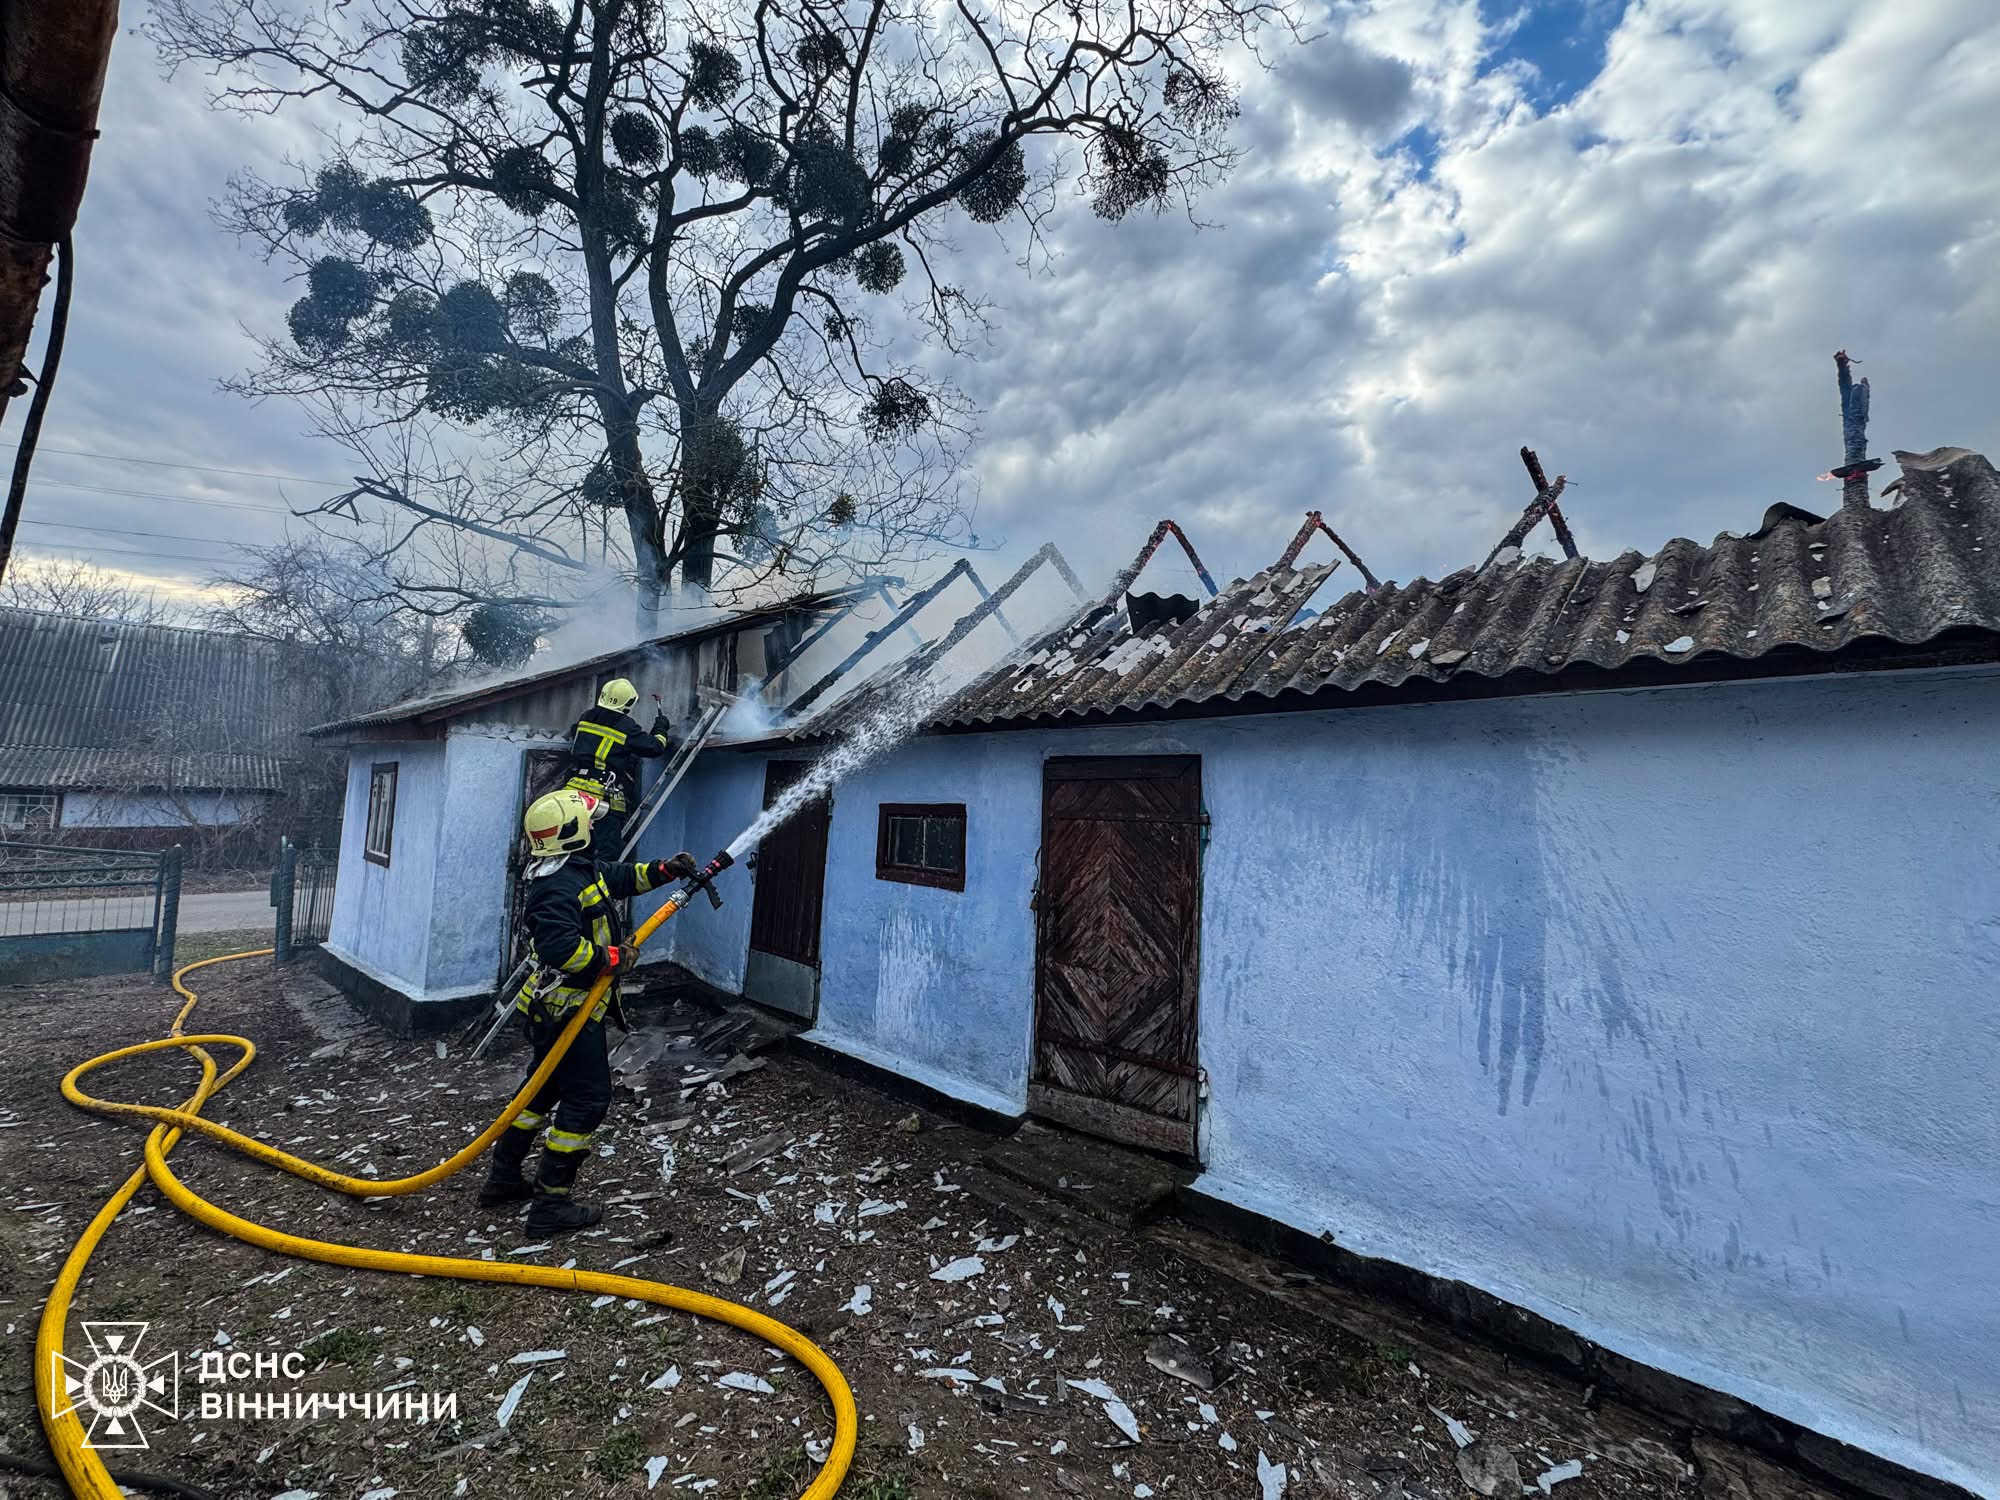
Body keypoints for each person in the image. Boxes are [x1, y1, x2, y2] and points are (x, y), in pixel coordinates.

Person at [479, 786, 697, 1237]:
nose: (597, 825)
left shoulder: (576, 869)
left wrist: (664, 871)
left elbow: (619, 877)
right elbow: (561, 949)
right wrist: (614, 959)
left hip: (558, 1010)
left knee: (539, 1092)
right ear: (574, 831)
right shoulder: (556, 886)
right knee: (588, 1098)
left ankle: (502, 1179)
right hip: (569, 1012)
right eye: (591, 821)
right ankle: (550, 1206)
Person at [563, 677, 673, 856]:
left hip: (573, 792)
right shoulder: (625, 726)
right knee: (606, 853)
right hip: (601, 799)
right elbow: (655, 747)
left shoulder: (586, 717)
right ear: (627, 703)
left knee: (573, 846)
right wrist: (661, 727)